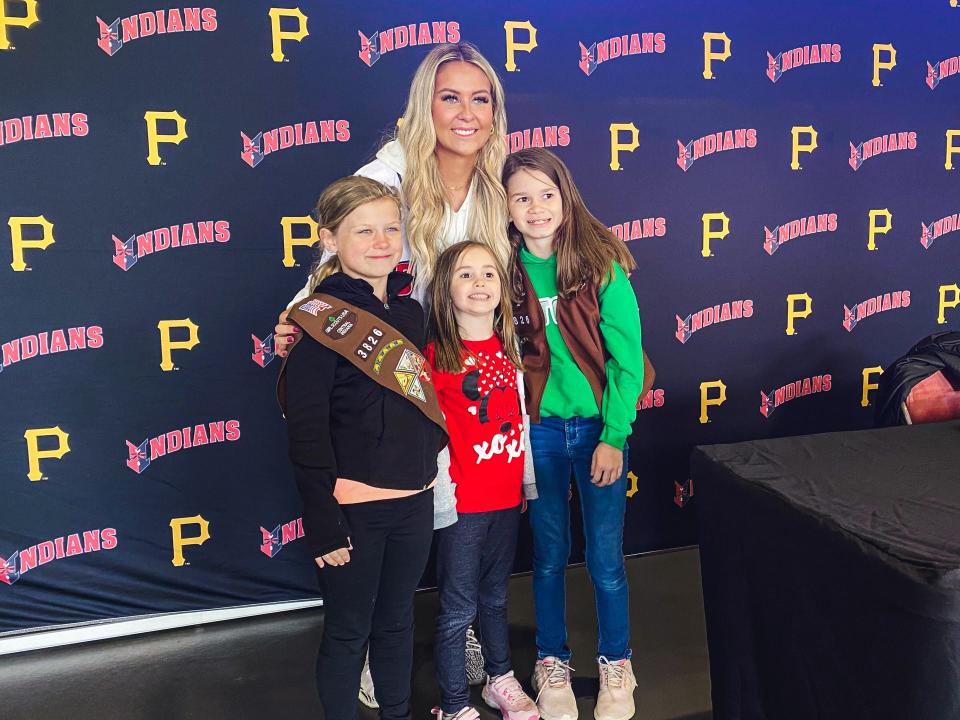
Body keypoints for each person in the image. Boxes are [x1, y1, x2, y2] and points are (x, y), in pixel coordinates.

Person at [274, 41, 511, 704]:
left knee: (451, 510)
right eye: (449, 97)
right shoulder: (390, 173)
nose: (465, 112)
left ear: (495, 111)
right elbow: (342, 252)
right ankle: (381, 656)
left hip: (457, 367)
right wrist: (298, 315)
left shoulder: (496, 183)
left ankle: (452, 626)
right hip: (389, 371)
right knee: (388, 529)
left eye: (479, 97)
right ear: (423, 107)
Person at [279, 176, 447, 720]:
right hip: (354, 510)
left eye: (391, 229)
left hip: (415, 500)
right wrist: (323, 519)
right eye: (364, 231)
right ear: (329, 239)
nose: (381, 242)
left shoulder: (410, 313)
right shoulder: (319, 317)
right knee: (350, 630)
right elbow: (306, 429)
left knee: (398, 621)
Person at [503, 149, 645, 720]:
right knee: (548, 555)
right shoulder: (503, 269)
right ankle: (551, 663)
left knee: (606, 558)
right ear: (506, 207)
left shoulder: (599, 264)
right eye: (522, 197)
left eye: (546, 194)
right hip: (538, 433)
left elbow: (627, 359)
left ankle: (617, 664)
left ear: (566, 197)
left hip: (596, 432)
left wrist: (614, 434)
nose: (536, 208)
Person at [425, 241, 540, 720]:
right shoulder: (435, 356)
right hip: (463, 506)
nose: (479, 284)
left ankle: (500, 679)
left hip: (504, 499)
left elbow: (521, 424)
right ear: (446, 291)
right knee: (456, 610)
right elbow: (430, 436)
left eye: (488, 274)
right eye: (466, 275)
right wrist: (443, 501)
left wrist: (526, 486)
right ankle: (453, 705)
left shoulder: (509, 351)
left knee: (495, 597)